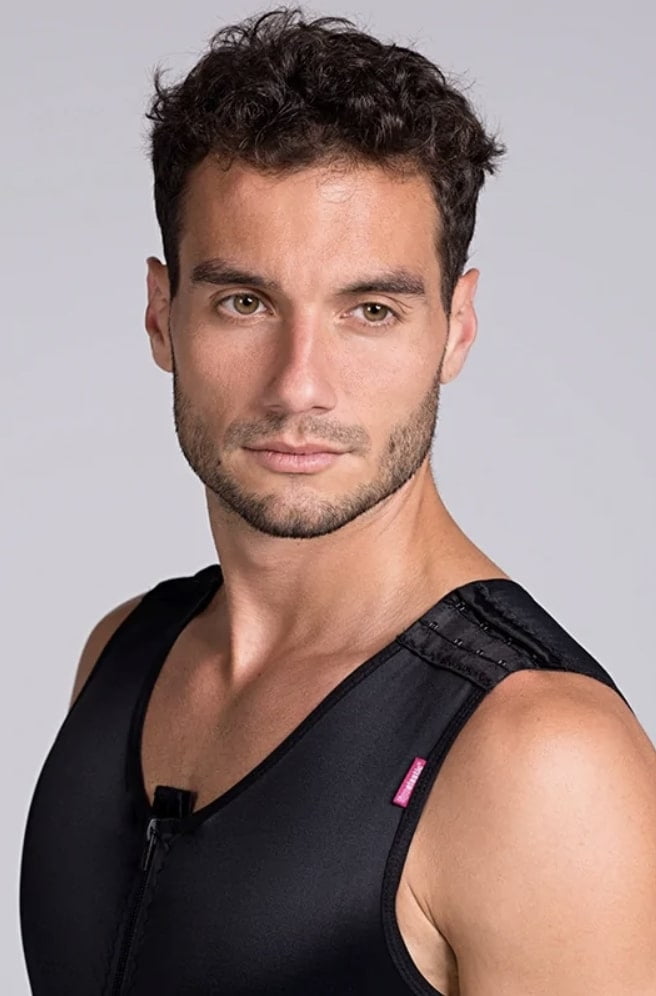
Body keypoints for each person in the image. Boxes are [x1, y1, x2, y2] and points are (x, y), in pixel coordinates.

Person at [19, 7, 656, 995]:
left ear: (455, 329)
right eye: (244, 302)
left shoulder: (539, 759)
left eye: (370, 311)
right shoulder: (124, 654)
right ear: (160, 314)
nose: (299, 386)